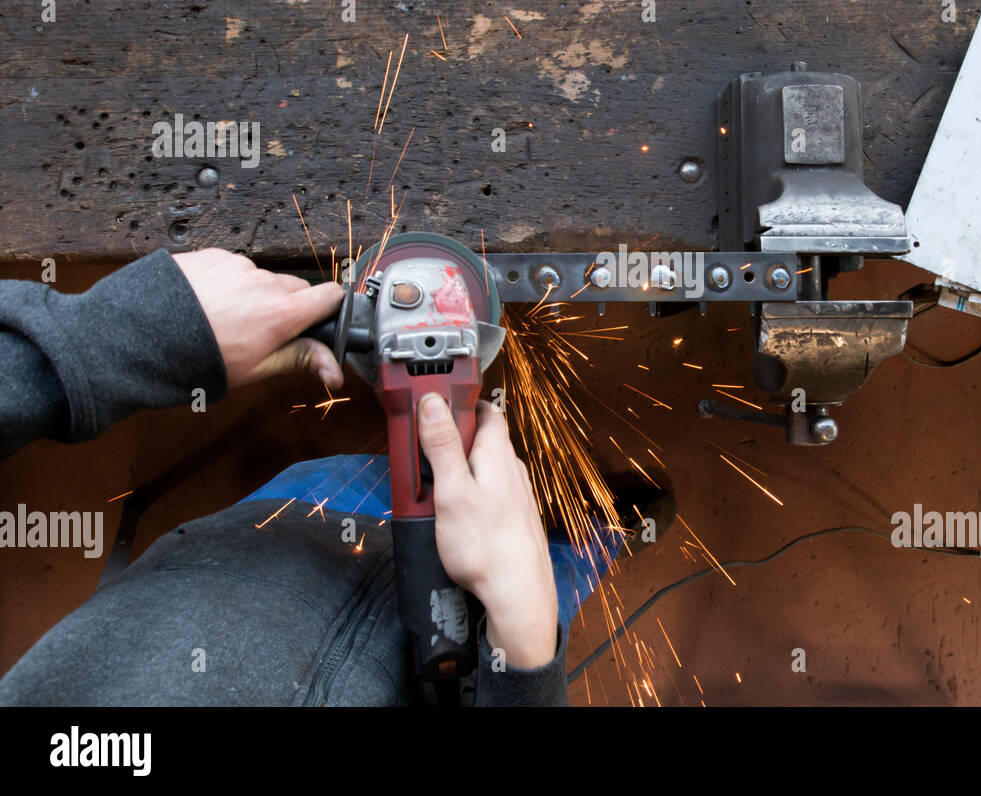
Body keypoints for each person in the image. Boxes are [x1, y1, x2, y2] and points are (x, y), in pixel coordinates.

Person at [0, 247, 598, 706]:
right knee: (553, 569)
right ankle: (589, 536)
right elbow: (520, 646)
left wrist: (117, 335)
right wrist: (526, 654)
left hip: (274, 533)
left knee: (343, 481)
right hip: (494, 605)